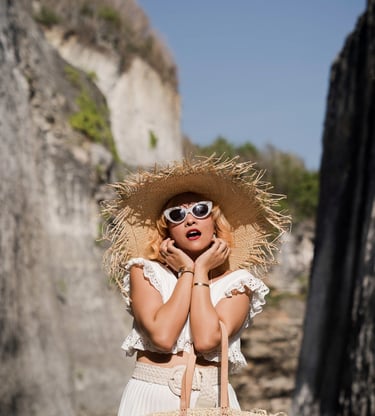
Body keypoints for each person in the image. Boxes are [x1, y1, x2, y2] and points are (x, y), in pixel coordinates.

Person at [102, 156, 289, 416]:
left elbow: (206, 341)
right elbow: (163, 337)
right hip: (150, 396)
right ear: (167, 230)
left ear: (214, 221)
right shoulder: (145, 271)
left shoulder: (239, 283)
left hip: (213, 400)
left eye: (200, 210)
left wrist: (199, 269)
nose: (190, 219)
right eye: (177, 214)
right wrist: (187, 271)